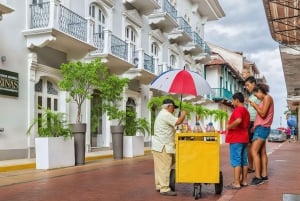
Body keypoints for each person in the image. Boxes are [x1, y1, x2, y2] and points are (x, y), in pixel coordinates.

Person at [151, 98, 187, 196]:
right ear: (168, 106)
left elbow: (174, 125)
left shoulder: (162, 114)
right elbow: (178, 122)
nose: (174, 110)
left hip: (158, 146)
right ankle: (165, 189)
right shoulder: (166, 114)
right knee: (165, 167)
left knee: (160, 167)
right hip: (163, 146)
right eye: (173, 108)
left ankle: (159, 185)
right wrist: (183, 114)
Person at [248, 83, 274, 185]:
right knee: (262, 152)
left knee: (254, 151)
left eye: (256, 94)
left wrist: (255, 106)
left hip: (262, 128)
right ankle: (264, 175)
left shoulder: (267, 98)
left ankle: (258, 177)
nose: (256, 97)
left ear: (260, 91)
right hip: (261, 128)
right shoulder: (265, 100)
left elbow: (263, 114)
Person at [225, 92, 250, 189]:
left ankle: (236, 183)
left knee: (236, 161)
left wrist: (229, 126)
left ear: (237, 100)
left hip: (236, 138)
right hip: (244, 138)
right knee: (244, 161)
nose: (232, 102)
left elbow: (238, 120)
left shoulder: (238, 109)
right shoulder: (246, 111)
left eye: (233, 100)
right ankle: (244, 181)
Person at [244, 76, 261, 173]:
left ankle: (259, 171)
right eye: (246, 85)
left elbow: (260, 110)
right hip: (250, 122)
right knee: (249, 145)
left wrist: (256, 124)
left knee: (256, 148)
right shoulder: (251, 96)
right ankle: (251, 166)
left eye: (248, 85)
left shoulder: (259, 94)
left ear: (253, 84)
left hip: (255, 122)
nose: (246, 87)